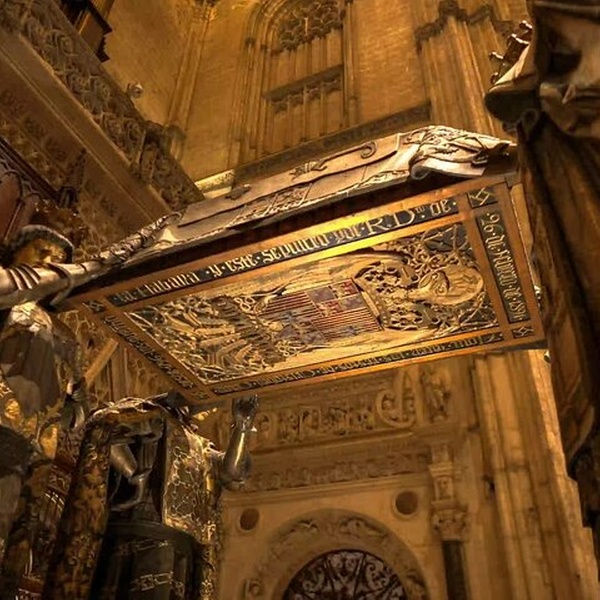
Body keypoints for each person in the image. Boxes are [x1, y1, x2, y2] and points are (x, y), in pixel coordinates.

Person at [0, 199, 173, 596]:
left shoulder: (65, 335)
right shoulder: (10, 295)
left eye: (59, 259)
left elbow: (82, 407)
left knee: (14, 546)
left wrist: (61, 417)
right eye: (41, 251)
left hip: (36, 446)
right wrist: (89, 267)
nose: (50, 263)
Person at [43, 391, 259, 600]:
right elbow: (103, 425)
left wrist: (242, 427)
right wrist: (132, 471)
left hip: (182, 544)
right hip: (141, 530)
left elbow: (233, 473)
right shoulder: (147, 412)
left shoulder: (202, 447)